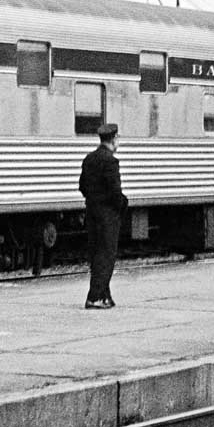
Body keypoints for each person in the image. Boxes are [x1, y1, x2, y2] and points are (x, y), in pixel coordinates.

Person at [78, 123, 128, 309]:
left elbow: (82, 186)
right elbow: (115, 191)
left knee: (96, 255)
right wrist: (122, 204)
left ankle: (105, 295)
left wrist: (94, 200)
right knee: (106, 256)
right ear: (114, 139)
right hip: (108, 215)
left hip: (92, 213)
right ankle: (95, 296)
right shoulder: (111, 161)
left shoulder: (89, 159)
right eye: (118, 139)